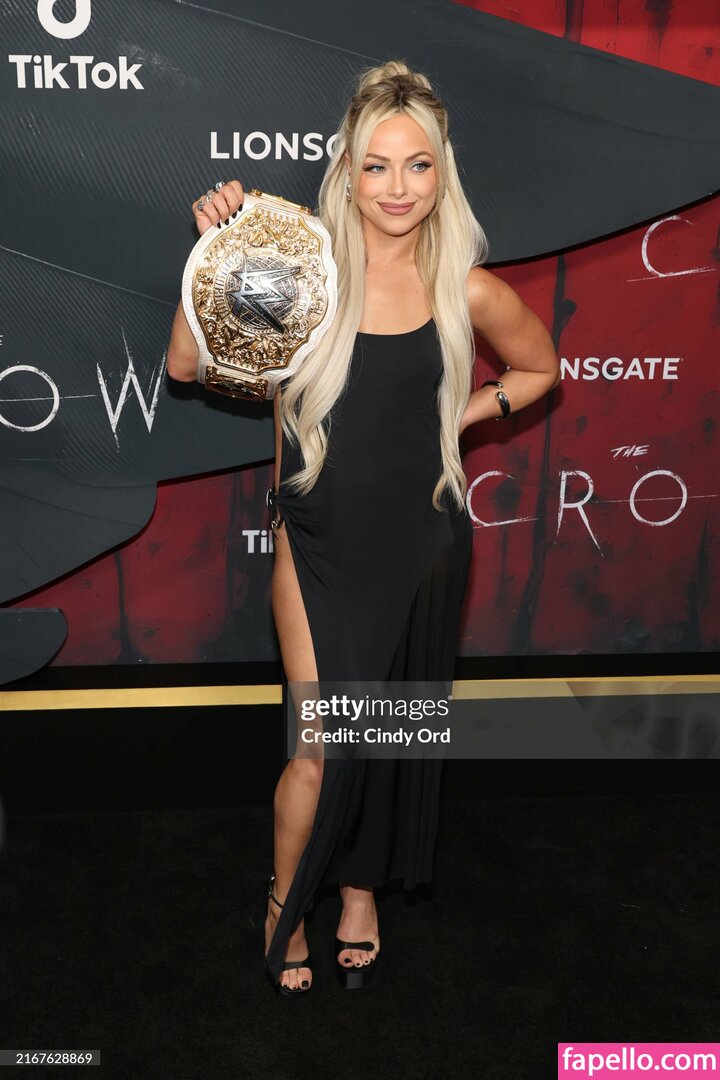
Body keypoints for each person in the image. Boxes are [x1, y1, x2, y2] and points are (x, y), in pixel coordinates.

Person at [167, 60, 560, 995]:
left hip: (424, 543)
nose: (398, 187)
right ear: (347, 171)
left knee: (386, 739)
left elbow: (539, 368)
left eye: (417, 165)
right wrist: (220, 252)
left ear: (441, 174)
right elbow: (185, 366)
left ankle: (358, 891)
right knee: (319, 745)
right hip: (319, 543)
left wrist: (460, 417)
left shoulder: (466, 287)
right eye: (377, 166)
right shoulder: (298, 267)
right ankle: (284, 897)